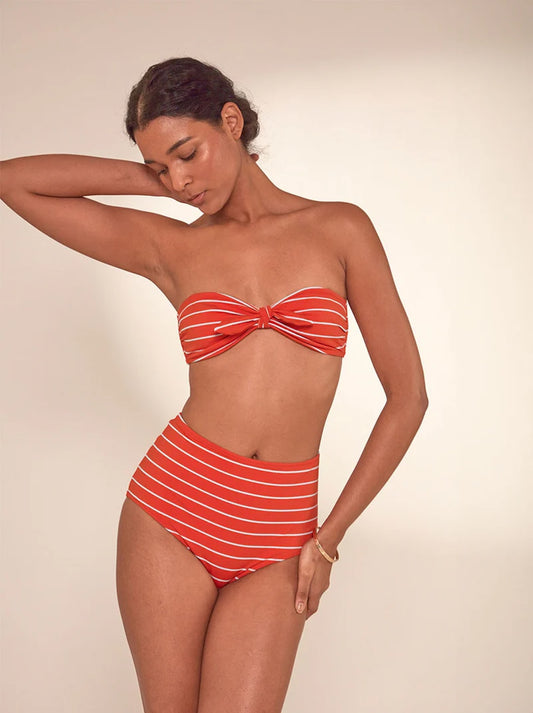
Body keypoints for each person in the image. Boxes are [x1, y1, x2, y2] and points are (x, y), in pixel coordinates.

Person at [0, 56, 428, 713]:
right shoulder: (172, 247)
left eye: (187, 153)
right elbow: (13, 181)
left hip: (281, 528)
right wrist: (156, 180)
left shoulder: (340, 229)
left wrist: (328, 538)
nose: (179, 179)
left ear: (231, 122)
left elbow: (407, 397)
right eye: (161, 166)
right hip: (174, 509)